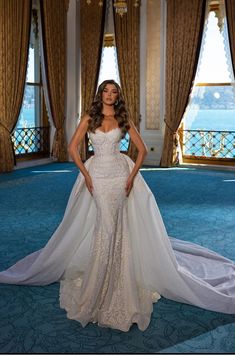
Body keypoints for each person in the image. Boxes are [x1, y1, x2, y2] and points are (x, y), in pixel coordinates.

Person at [0, 79, 235, 332]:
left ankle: (116, 273)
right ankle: (100, 279)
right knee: (106, 224)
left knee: (114, 224)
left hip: (119, 176)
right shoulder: (90, 117)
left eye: (114, 92)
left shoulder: (123, 118)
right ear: (100, 93)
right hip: (98, 177)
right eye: (106, 91)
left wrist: (131, 177)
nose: (110, 95)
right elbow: (72, 148)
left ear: (117, 96)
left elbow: (142, 150)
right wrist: (86, 175)